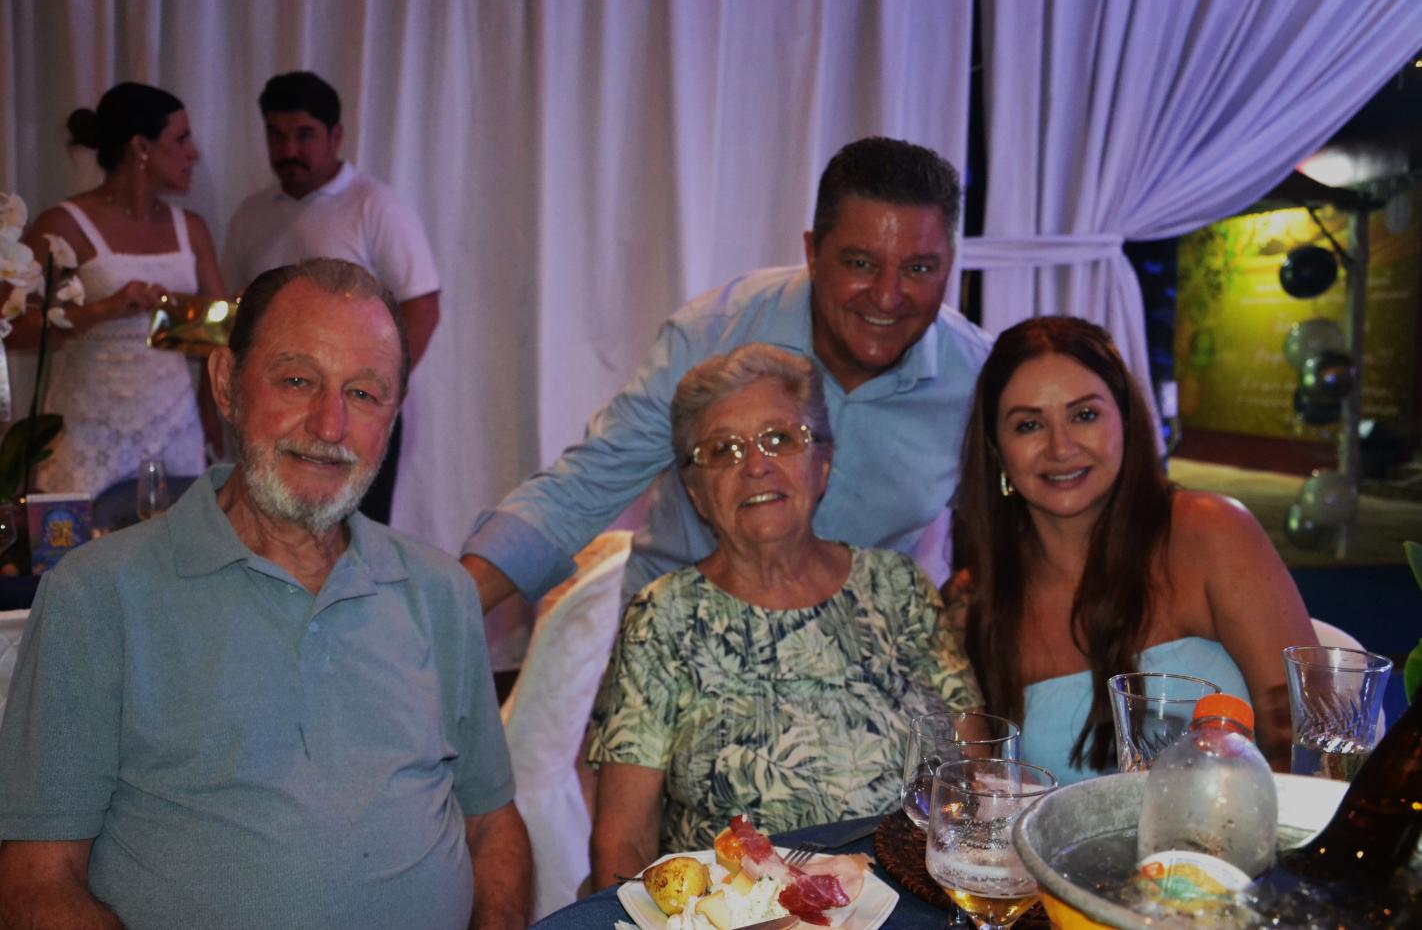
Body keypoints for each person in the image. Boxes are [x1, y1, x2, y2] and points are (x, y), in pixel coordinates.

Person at [0, 259, 531, 930]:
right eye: (298, 380)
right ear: (227, 383)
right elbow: (36, 883)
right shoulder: (98, 595)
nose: (330, 425)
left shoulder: (439, 592)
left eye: (364, 394)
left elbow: (492, 824)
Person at [462, 136, 992, 619]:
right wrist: (450, 609)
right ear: (812, 253)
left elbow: (1007, 529)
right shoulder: (713, 334)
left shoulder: (977, 379)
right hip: (680, 645)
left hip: (858, 661)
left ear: (950, 264)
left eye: (919, 269)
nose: (887, 296)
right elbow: (585, 487)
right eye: (860, 263)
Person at [586, 344, 981, 885]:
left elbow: (978, 772)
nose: (755, 465)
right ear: (696, 492)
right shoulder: (663, 617)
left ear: (823, 464)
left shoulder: (899, 587)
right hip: (743, 914)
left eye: (779, 438)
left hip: (917, 902)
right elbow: (622, 841)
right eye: (723, 450)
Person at [949, 316, 1316, 786]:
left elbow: (1309, 739)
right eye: (1029, 425)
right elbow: (977, 791)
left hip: (1249, 829)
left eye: (1084, 415)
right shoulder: (973, 602)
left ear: (1125, 420)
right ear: (996, 449)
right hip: (1062, 838)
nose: (1061, 448)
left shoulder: (1210, 533)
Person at [223, 70, 440, 524]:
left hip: (354, 411)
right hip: (275, 406)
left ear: (335, 136)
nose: (289, 150)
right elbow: (234, 313)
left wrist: (375, 394)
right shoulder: (251, 213)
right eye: (276, 135)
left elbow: (422, 307)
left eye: (304, 135)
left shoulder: (374, 206)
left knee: (353, 527)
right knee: (268, 521)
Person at [13, 82, 225, 496]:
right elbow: (13, 328)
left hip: (174, 427)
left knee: (175, 533)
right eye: (181, 139)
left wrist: (209, 408)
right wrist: (102, 310)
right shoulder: (63, 224)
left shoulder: (192, 229)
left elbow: (218, 335)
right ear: (141, 147)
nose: (194, 153)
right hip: (86, 430)